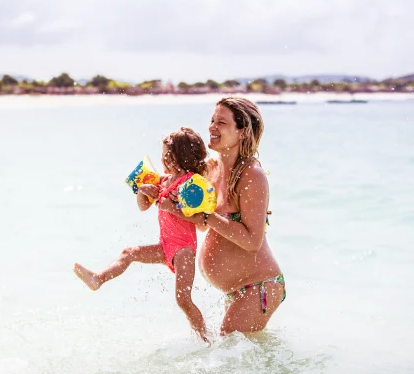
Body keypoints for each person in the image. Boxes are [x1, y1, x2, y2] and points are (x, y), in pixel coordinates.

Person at [74, 127, 210, 343]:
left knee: (183, 299)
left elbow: (201, 218)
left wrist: (171, 207)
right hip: (165, 247)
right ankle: (98, 279)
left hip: (184, 249)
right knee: (129, 253)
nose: (162, 158)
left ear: (177, 155)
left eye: (166, 153)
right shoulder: (163, 181)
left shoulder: (191, 183)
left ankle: (206, 340)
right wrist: (143, 191)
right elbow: (143, 207)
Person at [169, 97, 285, 336]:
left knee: (230, 355)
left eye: (221, 122)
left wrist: (208, 217)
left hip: (259, 286)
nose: (211, 127)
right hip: (235, 289)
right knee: (236, 360)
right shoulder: (211, 169)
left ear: (242, 132)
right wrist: (169, 202)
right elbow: (201, 224)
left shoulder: (252, 175)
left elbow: (252, 241)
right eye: (212, 120)